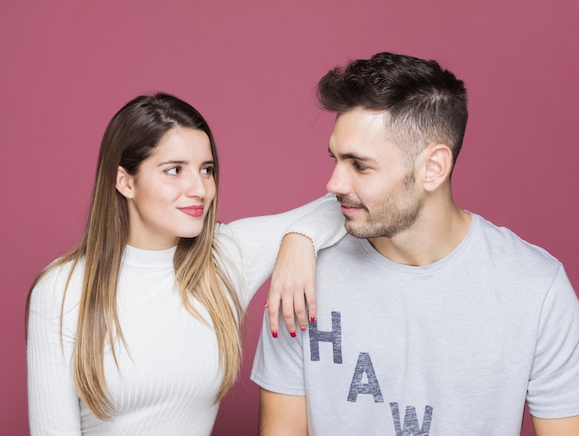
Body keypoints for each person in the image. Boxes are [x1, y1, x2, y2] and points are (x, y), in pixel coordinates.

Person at [252, 52, 579, 435]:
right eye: (335, 159)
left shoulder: (534, 287)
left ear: (433, 168)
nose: (334, 184)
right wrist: (298, 234)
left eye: (359, 165)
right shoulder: (301, 281)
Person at [26, 93, 345, 435]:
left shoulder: (226, 258)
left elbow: (352, 198)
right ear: (125, 181)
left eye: (206, 170)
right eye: (174, 170)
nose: (199, 189)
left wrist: (299, 239)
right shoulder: (62, 288)